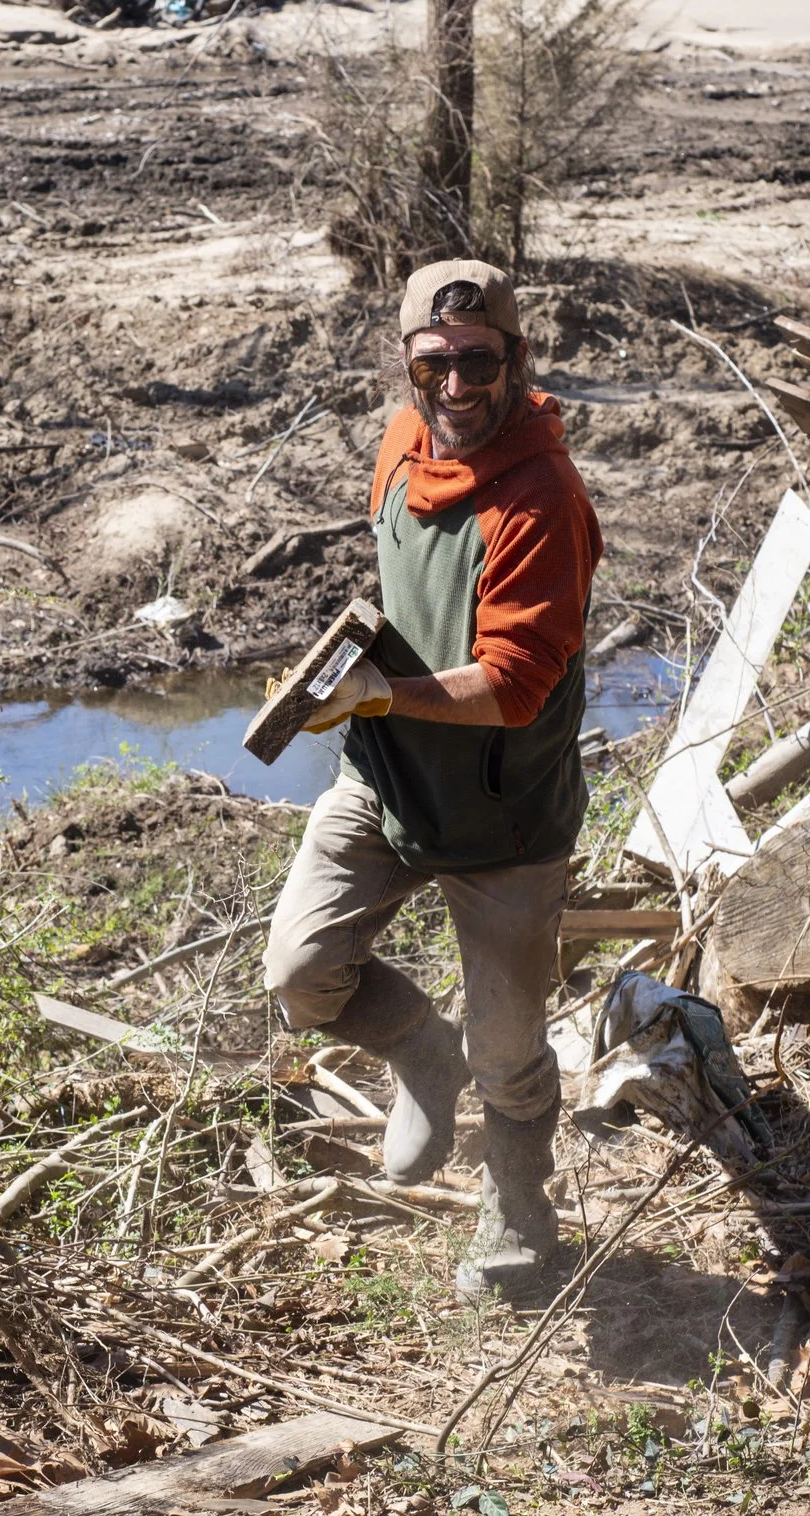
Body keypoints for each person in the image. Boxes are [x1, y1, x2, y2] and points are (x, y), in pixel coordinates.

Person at [259, 259, 603, 1297]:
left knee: (508, 1044)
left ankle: (517, 1200)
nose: (457, 385)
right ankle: (419, 1049)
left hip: (506, 812)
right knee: (300, 975)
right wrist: (347, 680)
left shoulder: (541, 498)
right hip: (391, 774)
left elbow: (513, 687)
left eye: (480, 362)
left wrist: (375, 694)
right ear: (408, 363)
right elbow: (399, 592)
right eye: (435, 363)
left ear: (518, 358)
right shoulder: (403, 446)